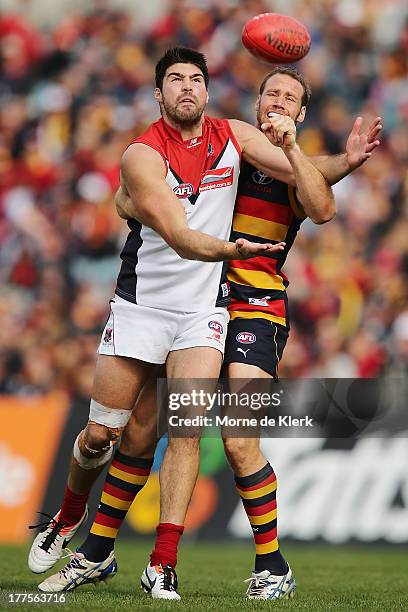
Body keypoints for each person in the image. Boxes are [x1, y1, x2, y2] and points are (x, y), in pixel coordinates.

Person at [29, 47, 335, 599]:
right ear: (255, 99)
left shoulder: (281, 159)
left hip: (252, 309)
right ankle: (94, 548)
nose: (280, 102)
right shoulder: (233, 143)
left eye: (292, 98)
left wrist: (313, 152)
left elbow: (322, 201)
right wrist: (130, 201)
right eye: (273, 94)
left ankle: (268, 565)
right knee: (134, 429)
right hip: (182, 295)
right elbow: (154, 211)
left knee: (235, 439)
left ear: (302, 113)